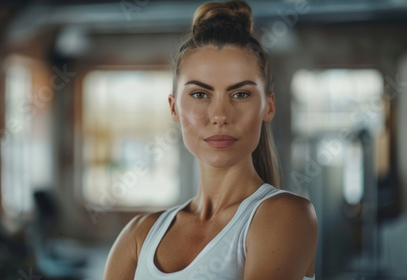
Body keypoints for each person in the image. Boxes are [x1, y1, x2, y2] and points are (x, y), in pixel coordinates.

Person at [103, 1, 318, 279]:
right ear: (173, 108)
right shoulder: (137, 235)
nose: (219, 116)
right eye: (200, 94)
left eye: (240, 94)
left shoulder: (287, 216)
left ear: (268, 107)